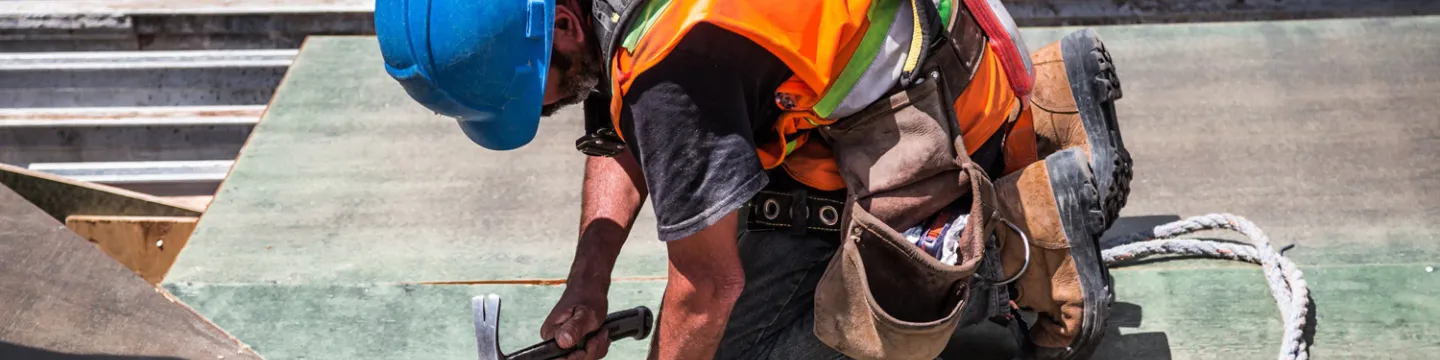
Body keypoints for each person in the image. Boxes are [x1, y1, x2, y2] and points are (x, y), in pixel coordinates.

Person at [375, 0, 1134, 358]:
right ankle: (1052, 101)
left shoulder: (675, 66)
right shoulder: (617, 19)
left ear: (564, 27)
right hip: (945, 48)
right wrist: (588, 284)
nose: (544, 110)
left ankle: (1022, 244)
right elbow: (618, 115)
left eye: (532, 92)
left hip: (932, 129)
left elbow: (707, 287)